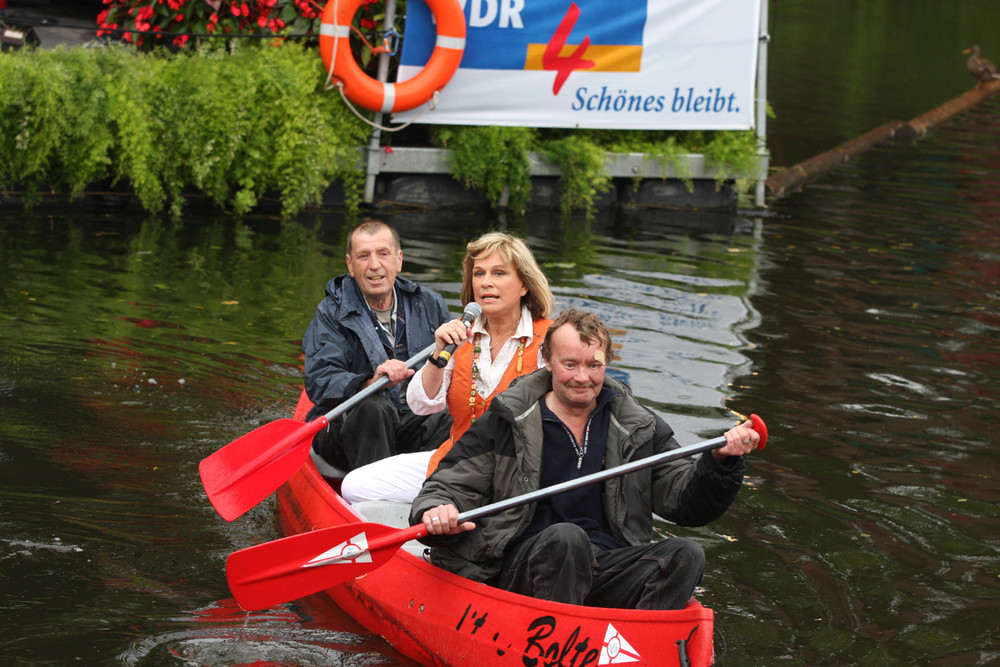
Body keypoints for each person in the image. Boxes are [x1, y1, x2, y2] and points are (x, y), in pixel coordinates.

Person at [409, 309, 762, 610]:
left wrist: (720, 462)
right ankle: (560, 645)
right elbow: (448, 484)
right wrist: (438, 509)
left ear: (607, 363)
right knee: (566, 539)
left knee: (687, 554)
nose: (583, 377)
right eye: (570, 364)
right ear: (547, 361)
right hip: (521, 567)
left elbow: (687, 504)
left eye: (594, 365)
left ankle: (636, 647)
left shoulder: (636, 426)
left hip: (605, 564)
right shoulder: (508, 419)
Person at [340, 231, 555, 504]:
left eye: (499, 273)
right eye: (479, 274)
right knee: (355, 486)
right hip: (458, 457)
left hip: (517, 470)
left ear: (524, 284)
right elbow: (422, 405)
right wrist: (438, 354)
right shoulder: (460, 335)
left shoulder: (550, 339)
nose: (486, 283)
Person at [302, 219, 454, 472]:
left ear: (398, 260)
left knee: (455, 418)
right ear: (350, 265)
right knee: (374, 407)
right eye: (363, 256)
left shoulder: (430, 304)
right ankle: (375, 499)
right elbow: (320, 381)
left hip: (409, 423)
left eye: (383, 254)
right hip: (349, 429)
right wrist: (370, 382)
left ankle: (435, 494)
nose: (374, 265)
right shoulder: (330, 311)